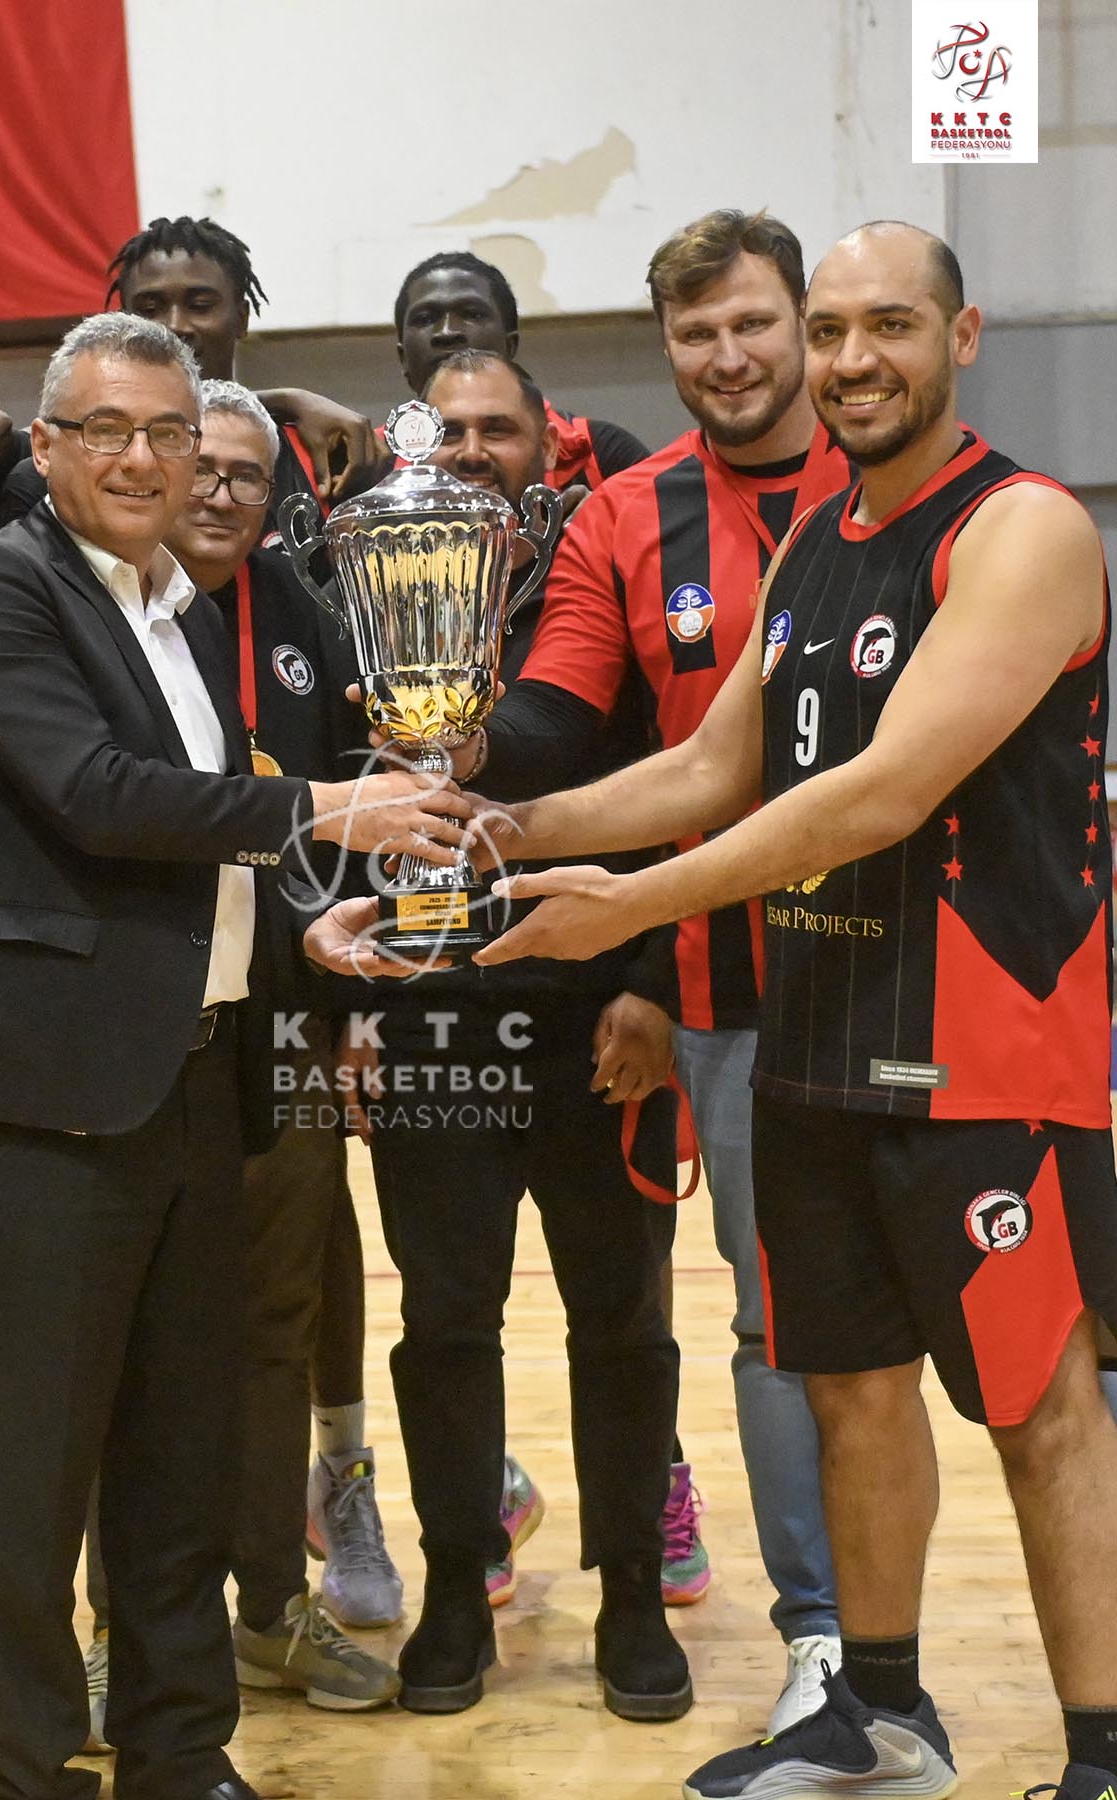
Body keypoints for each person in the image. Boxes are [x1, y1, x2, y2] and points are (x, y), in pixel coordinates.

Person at [334, 221, 1117, 1800]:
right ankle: (881, 1717)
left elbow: (879, 794)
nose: (851, 361)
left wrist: (631, 907)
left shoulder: (1024, 528)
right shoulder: (820, 535)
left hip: (988, 1053)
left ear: (962, 339)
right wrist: (484, 841)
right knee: (850, 1392)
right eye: (832, 332)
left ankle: (1102, 1749)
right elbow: (708, 770)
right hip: (813, 1042)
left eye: (888, 327)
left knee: (1043, 1411)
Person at [0, 311, 470, 1800]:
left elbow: (197, 851)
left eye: (168, 432)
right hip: (51, 1097)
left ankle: (179, 1750)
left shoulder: (183, 610)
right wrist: (328, 811)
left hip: (200, 1078)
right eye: (107, 430)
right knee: (41, 1468)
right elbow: (98, 796)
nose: (143, 459)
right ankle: (32, 1768)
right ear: (46, 448)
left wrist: (309, 927)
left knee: (181, 1451)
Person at [417, 208, 852, 1729]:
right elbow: (572, 717)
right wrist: (456, 749)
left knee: (995, 1347)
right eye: (695, 332)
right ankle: (823, 1640)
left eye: (752, 323)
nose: (727, 355)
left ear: (805, 325)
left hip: (929, 985)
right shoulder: (625, 515)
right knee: (771, 1326)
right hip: (727, 994)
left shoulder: (915, 494)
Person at [326, 348, 691, 1723]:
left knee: (624, 1319)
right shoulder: (360, 585)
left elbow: (679, 793)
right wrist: (356, 1002)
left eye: (500, 427)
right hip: (429, 1018)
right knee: (443, 1321)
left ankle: (632, 1594)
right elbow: (327, 816)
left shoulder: (602, 584)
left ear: (549, 447)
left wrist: (652, 982)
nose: (473, 447)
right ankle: (452, 1588)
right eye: (450, 427)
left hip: (595, 1014)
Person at [71, 378, 399, 1735]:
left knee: (273, 1330)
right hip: (133, 1039)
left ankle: (268, 1606)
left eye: (244, 476)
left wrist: (356, 1010)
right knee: (126, 1340)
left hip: (289, 1030)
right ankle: (122, 1630)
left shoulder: (307, 618)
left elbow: (355, 823)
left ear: (276, 500)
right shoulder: (91, 614)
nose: (215, 491)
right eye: (195, 463)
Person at [0, 215, 381, 539]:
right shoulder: (62, 462)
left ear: (241, 317)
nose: (175, 325)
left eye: (200, 305)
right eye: (150, 308)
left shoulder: (316, 451)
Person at [393, 249, 649, 496]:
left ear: (510, 345)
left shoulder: (602, 453)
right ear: (403, 357)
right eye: (425, 319)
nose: (447, 332)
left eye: (472, 314)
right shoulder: (375, 462)